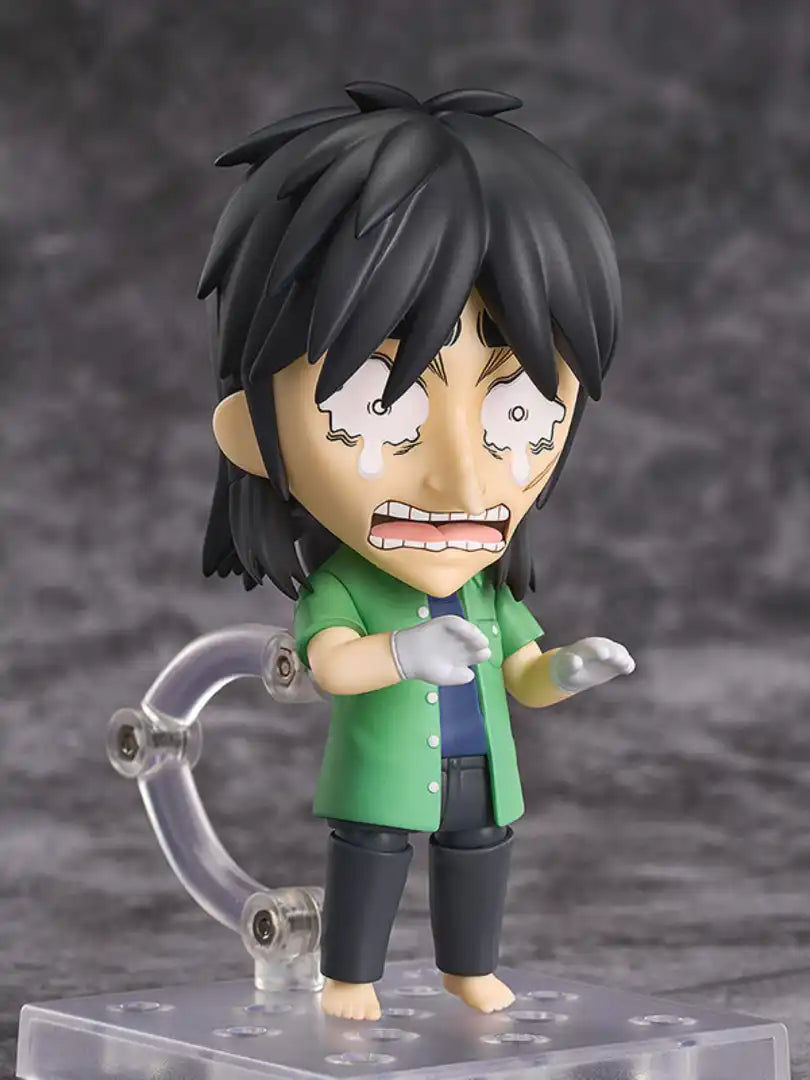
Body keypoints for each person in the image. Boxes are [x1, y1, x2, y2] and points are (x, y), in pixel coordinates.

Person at [200, 81, 634, 1022]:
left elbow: (522, 677)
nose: (462, 480)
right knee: (371, 857)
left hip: (481, 774)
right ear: (247, 432)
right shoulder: (349, 585)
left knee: (479, 855)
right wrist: (404, 652)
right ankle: (350, 976)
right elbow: (332, 667)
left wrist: (569, 670)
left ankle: (468, 968)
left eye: (518, 410)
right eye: (382, 406)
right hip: (382, 776)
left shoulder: (485, 588)